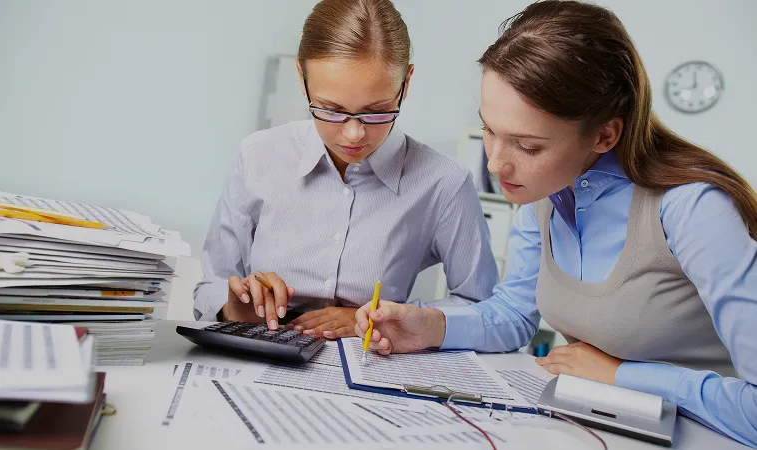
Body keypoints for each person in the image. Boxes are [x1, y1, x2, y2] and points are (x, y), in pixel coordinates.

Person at [355, 1, 757, 446]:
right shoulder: (543, 195)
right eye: (489, 129)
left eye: (527, 146)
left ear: (605, 135)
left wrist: (624, 375)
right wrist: (431, 326)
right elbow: (513, 314)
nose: (495, 163)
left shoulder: (694, 209)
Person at [193, 0, 498, 340]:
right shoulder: (258, 156)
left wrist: (382, 319)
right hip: (258, 354)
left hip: (372, 364)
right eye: (330, 110)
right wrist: (235, 307)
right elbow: (212, 283)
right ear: (302, 77)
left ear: (406, 83)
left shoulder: (444, 183)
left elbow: (480, 305)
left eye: (377, 111)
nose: (354, 134)